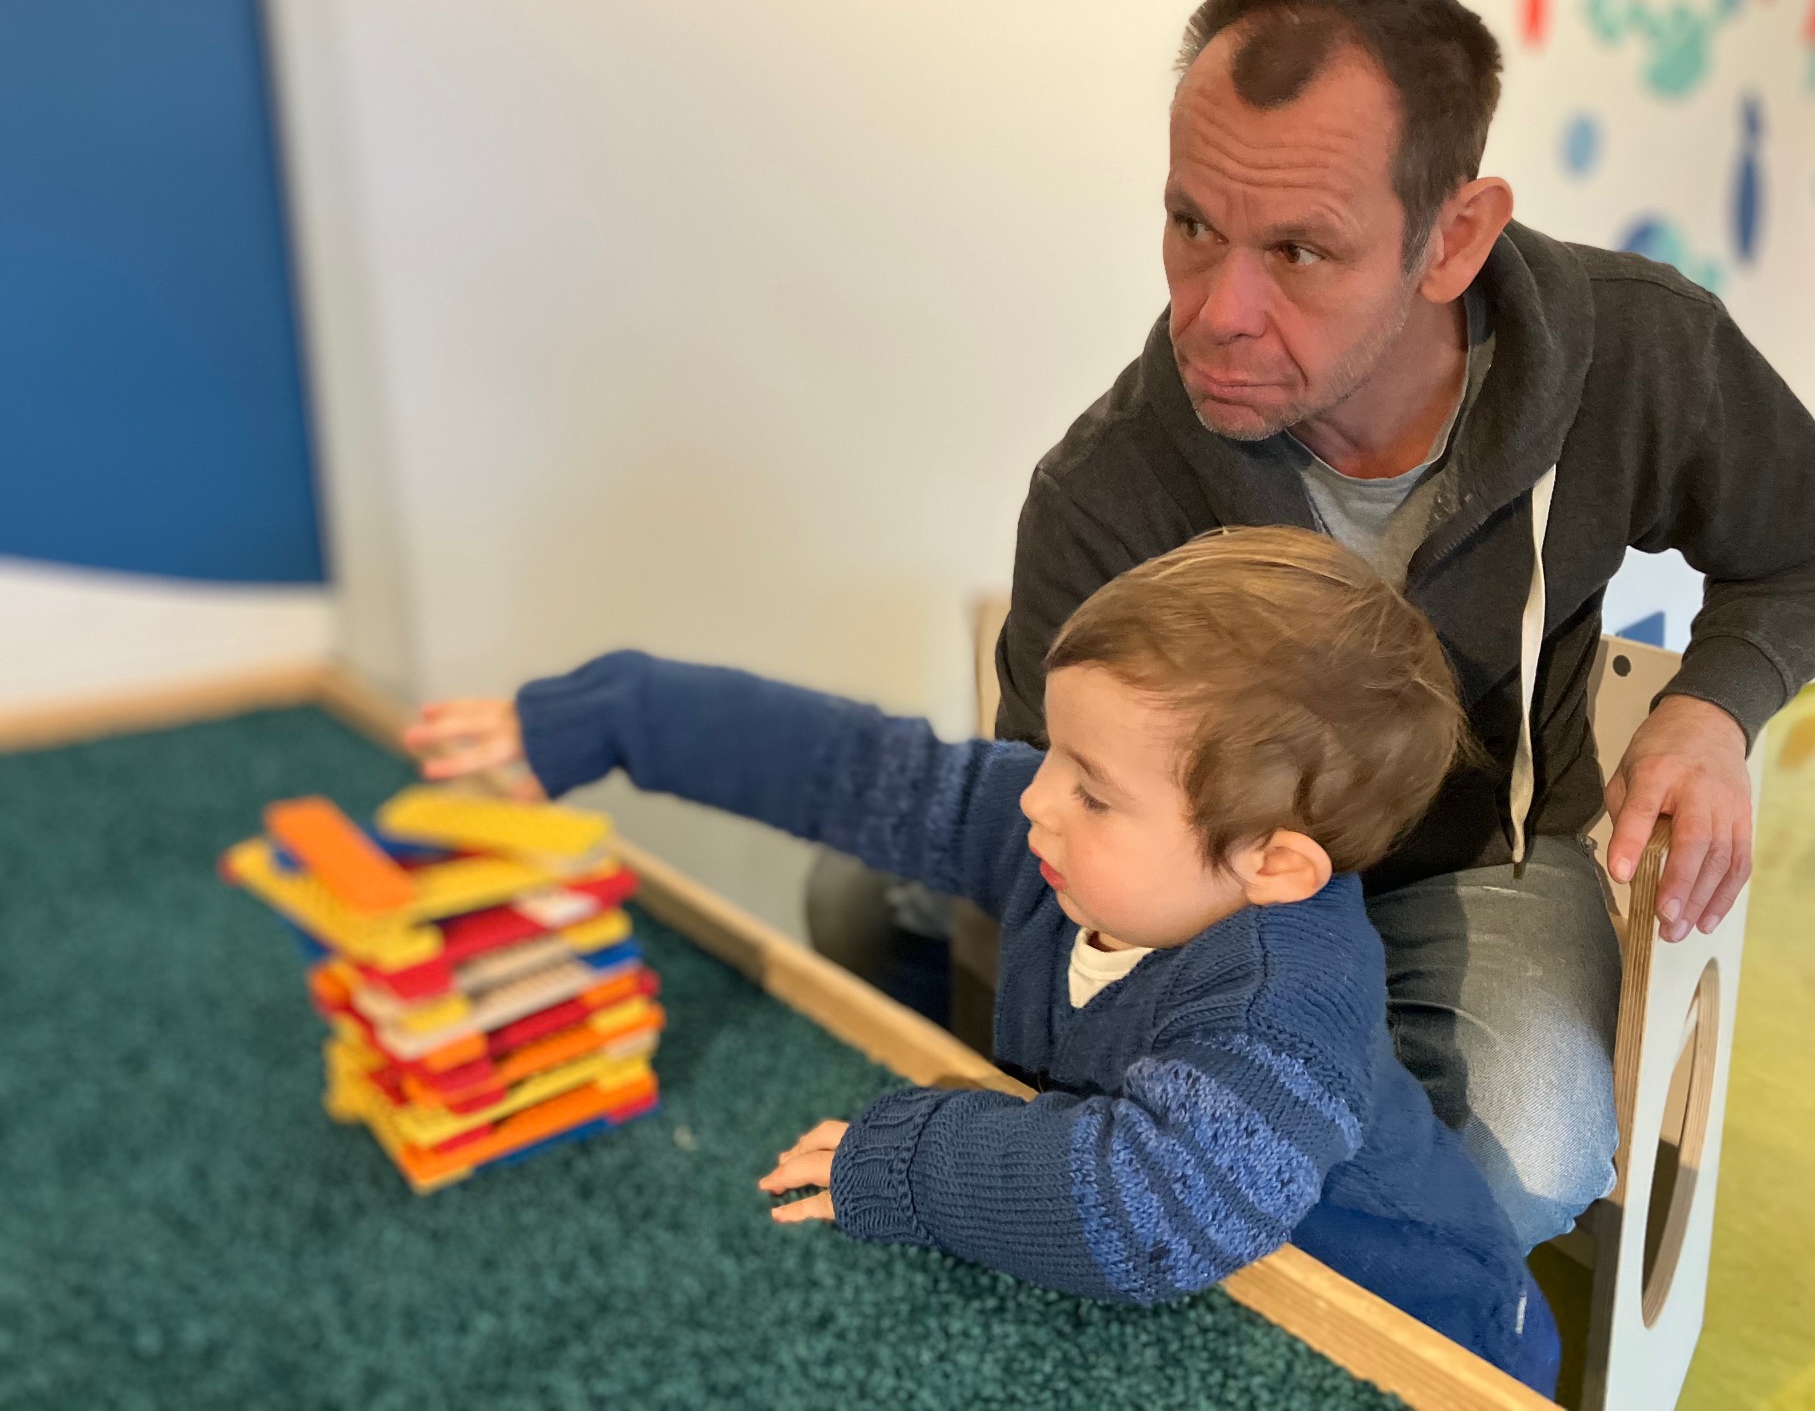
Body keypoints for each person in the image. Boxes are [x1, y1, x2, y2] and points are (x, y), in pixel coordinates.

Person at [985, 0, 1815, 1250]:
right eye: (1192, 226)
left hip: (1487, 863)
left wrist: (1713, 707)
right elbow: (1043, 825)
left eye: (1300, 249)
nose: (1218, 312)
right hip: (1208, 901)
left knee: (1514, 1153)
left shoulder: (1643, 350)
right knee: (1175, 1145)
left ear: (1453, 238)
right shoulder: (1103, 487)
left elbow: (1807, 544)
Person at [405, 528, 1561, 1393]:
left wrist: (914, 1160)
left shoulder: (1289, 997)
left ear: (1274, 865)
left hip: (1429, 1351)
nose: (1038, 801)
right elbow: (855, 766)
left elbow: (1150, 1207)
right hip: (1232, 1305)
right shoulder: (1068, 841)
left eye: (1092, 790)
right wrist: (618, 716)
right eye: (1054, 751)